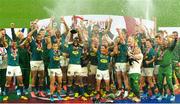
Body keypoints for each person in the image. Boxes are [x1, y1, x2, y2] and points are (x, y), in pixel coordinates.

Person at [1, 35, 29, 101]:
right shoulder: (8, 48)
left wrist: (27, 38)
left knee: (20, 81)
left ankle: (22, 95)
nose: (14, 44)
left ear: (17, 43)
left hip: (17, 67)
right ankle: (6, 95)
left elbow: (25, 42)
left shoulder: (18, 48)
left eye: (15, 42)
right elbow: (3, 41)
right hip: (10, 66)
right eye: (13, 42)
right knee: (8, 82)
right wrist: (2, 36)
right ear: (11, 43)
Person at [64, 28, 84, 100]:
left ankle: (76, 94)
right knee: (70, 80)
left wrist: (78, 32)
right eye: (75, 40)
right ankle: (67, 95)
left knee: (78, 80)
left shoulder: (81, 47)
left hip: (78, 66)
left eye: (77, 40)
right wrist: (72, 33)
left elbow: (81, 40)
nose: (76, 40)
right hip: (71, 65)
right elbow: (70, 39)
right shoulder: (70, 46)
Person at [157, 35, 178, 102]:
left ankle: (172, 95)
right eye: (163, 43)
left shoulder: (170, 49)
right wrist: (158, 58)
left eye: (165, 43)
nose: (164, 44)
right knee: (159, 82)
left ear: (167, 44)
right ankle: (162, 94)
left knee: (169, 82)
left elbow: (173, 44)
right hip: (161, 68)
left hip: (168, 67)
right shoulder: (159, 50)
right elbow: (158, 57)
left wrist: (175, 39)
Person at [113, 28, 129, 98]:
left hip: (123, 62)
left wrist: (118, 31)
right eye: (120, 34)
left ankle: (126, 90)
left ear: (125, 35)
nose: (120, 36)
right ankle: (120, 89)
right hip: (117, 62)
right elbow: (115, 52)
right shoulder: (118, 43)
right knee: (118, 77)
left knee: (124, 77)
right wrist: (116, 43)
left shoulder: (124, 42)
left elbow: (122, 38)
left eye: (122, 34)